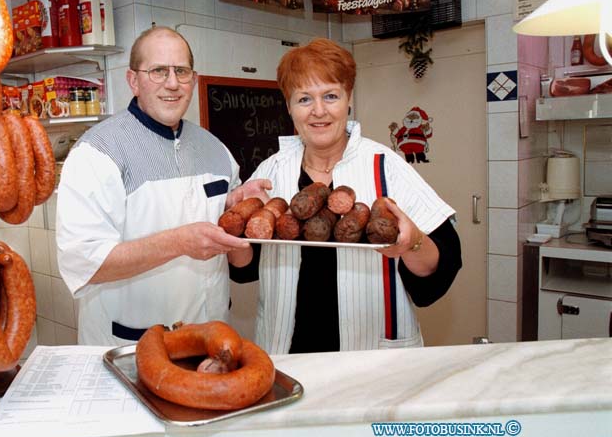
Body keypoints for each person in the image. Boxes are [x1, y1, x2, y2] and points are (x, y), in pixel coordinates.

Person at [229, 38, 462, 354]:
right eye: (304, 99)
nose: (319, 111)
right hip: (287, 351)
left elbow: (444, 263)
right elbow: (243, 269)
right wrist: (234, 225)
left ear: (348, 99)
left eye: (330, 96)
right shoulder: (271, 171)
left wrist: (413, 241)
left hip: (373, 357)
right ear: (288, 106)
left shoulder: (385, 166)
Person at [55, 26, 254, 345]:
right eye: (158, 71)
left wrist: (241, 209)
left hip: (209, 341)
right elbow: (85, 263)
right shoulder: (97, 153)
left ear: (194, 78)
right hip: (129, 346)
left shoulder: (216, 150)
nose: (172, 83)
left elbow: (236, 251)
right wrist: (178, 243)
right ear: (133, 80)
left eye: (181, 71)